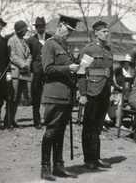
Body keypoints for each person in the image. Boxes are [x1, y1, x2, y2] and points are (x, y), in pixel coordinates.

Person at [40, 14, 80, 181]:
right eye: (68, 30)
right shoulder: (50, 44)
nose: (69, 33)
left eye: (71, 31)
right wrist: (68, 68)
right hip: (54, 94)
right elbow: (47, 69)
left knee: (60, 132)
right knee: (51, 131)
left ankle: (58, 166)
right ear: (60, 25)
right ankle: (45, 168)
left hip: (66, 95)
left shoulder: (66, 47)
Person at [78, 20, 113, 170]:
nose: (106, 34)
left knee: (98, 125)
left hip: (104, 90)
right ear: (96, 33)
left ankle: (96, 157)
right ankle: (89, 159)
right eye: (103, 31)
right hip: (92, 91)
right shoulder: (89, 49)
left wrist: (111, 91)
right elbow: (81, 72)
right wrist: (83, 94)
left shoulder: (108, 50)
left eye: (107, 31)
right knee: (89, 125)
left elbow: (108, 73)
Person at [5, 20, 32, 129]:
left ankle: (12, 119)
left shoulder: (24, 41)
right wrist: (23, 65)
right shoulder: (11, 41)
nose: (26, 32)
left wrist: (27, 65)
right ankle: (7, 121)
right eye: (25, 29)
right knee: (12, 97)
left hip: (23, 73)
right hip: (15, 73)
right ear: (20, 30)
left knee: (18, 98)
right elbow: (12, 56)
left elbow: (29, 55)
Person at [27, 16, 52, 128]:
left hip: (48, 69)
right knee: (36, 95)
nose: (41, 29)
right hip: (37, 70)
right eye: (39, 27)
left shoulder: (50, 38)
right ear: (36, 28)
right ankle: (37, 121)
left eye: (42, 27)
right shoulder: (31, 40)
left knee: (50, 95)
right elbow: (29, 55)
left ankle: (49, 119)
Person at [111, 54, 135, 128]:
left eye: (128, 63)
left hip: (128, 91)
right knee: (119, 101)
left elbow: (132, 82)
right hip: (118, 90)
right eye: (125, 63)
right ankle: (118, 122)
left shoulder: (132, 71)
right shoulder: (118, 70)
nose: (127, 65)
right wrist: (120, 87)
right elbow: (114, 81)